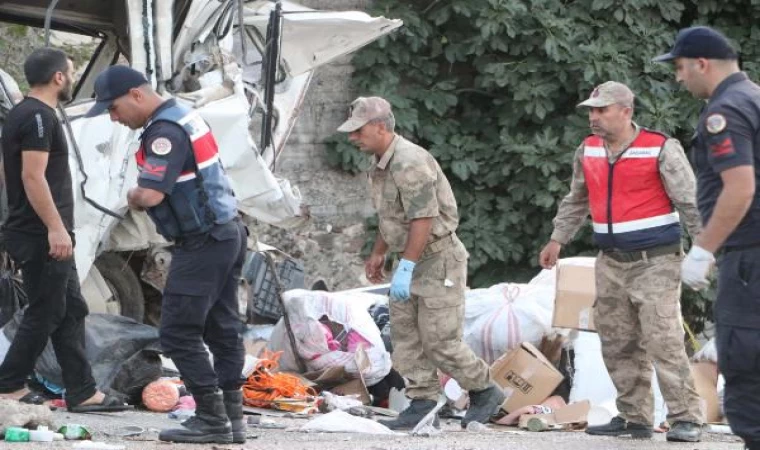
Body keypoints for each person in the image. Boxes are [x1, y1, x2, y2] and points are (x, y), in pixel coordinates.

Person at [86, 65, 247, 444]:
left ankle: (211, 418)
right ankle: (233, 420)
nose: (113, 117)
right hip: (227, 232)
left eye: (113, 108)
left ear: (136, 95)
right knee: (223, 330)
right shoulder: (184, 116)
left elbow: (152, 194)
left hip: (203, 240)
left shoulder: (164, 131)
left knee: (177, 333)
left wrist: (134, 196)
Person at [538, 81, 704, 442]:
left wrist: (703, 251)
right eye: (591, 111)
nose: (594, 117)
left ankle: (686, 417)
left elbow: (691, 202)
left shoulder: (660, 148)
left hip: (655, 261)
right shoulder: (589, 149)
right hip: (610, 261)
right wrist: (557, 239)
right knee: (617, 341)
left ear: (626, 111)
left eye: (601, 110)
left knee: (663, 339)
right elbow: (576, 200)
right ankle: (635, 418)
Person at [337, 96, 505, 430]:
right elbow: (392, 214)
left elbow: (424, 219)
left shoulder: (409, 162)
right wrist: (379, 251)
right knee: (406, 337)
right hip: (410, 258)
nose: (353, 138)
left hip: (437, 260)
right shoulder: (382, 164)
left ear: (380, 127)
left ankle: (485, 389)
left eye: (359, 131)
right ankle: (423, 399)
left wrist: (408, 266)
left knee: (440, 340)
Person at [0, 48, 130, 413]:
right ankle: (8, 384)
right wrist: (55, 228)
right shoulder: (39, 118)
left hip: (35, 230)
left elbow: (6, 171)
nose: (72, 78)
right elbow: (30, 176)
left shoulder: (20, 114)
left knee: (71, 308)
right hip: (43, 234)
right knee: (47, 310)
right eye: (71, 72)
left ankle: (82, 390)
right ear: (59, 77)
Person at [654, 26, 760, 450]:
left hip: (750, 255)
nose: (679, 78)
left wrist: (704, 248)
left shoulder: (726, 111)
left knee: (744, 357)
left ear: (702, 63)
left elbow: (739, 188)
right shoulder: (754, 97)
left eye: (680, 67)